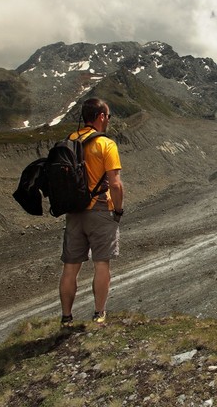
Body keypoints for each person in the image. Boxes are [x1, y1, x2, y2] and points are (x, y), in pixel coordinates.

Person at [59, 98, 124, 327]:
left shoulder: (70, 140)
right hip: (98, 208)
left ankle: (66, 317)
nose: (108, 120)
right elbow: (115, 184)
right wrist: (117, 210)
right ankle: (99, 314)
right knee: (101, 263)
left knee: (70, 267)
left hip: (73, 210)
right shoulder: (106, 144)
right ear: (101, 116)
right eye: (108, 116)